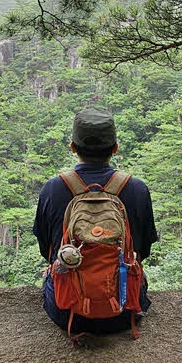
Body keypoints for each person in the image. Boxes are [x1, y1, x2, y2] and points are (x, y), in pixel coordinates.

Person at [33, 108, 157, 335]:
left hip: (67, 312)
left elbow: (47, 250)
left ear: (72, 147)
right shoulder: (137, 189)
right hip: (123, 309)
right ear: (115, 148)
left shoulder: (52, 189)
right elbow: (143, 251)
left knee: (50, 271)